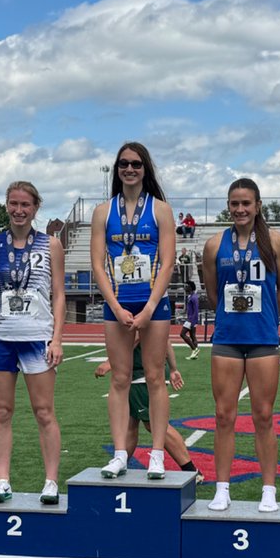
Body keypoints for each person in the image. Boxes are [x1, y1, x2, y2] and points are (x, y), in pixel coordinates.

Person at [201, 178, 280, 513]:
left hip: (263, 339)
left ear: (258, 206)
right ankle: (222, 489)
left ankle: (268, 489)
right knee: (224, 415)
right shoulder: (214, 245)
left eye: (246, 204)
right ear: (229, 206)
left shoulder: (277, 243)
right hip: (227, 338)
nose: (240, 209)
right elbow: (213, 294)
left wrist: (263, 317)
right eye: (234, 203)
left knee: (263, 415)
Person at [0, 181, 65, 504]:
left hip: (37, 336)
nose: (19, 210)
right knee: (1, 411)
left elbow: (58, 294)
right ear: (6, 205)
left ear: (36, 208)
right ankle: (2, 480)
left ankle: (51, 481)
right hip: (0, 336)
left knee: (43, 411)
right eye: (13, 203)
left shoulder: (50, 245)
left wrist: (56, 338)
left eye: (25, 204)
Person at [90, 142, 177, 479]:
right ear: (117, 168)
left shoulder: (160, 210)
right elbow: (98, 263)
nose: (130, 169)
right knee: (121, 378)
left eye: (136, 164)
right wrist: (114, 304)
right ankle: (120, 453)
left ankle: (156, 454)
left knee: (155, 378)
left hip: (153, 302)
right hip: (118, 304)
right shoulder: (102, 211)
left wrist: (150, 307)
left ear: (145, 169)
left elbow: (168, 262)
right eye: (124, 164)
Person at [94, 331, 202, 483]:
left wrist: (111, 362)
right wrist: (173, 368)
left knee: (153, 423)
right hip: (140, 371)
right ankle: (120, 462)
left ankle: (191, 470)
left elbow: (136, 335)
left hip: (143, 372)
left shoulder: (137, 309)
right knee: (130, 422)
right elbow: (165, 338)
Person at [180, 280, 201, 359]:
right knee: (192, 336)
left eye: (186, 286)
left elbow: (196, 310)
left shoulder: (194, 297)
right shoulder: (189, 296)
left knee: (182, 334)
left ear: (190, 287)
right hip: (190, 319)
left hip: (191, 320)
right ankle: (195, 355)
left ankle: (194, 349)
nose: (185, 287)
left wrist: (193, 322)